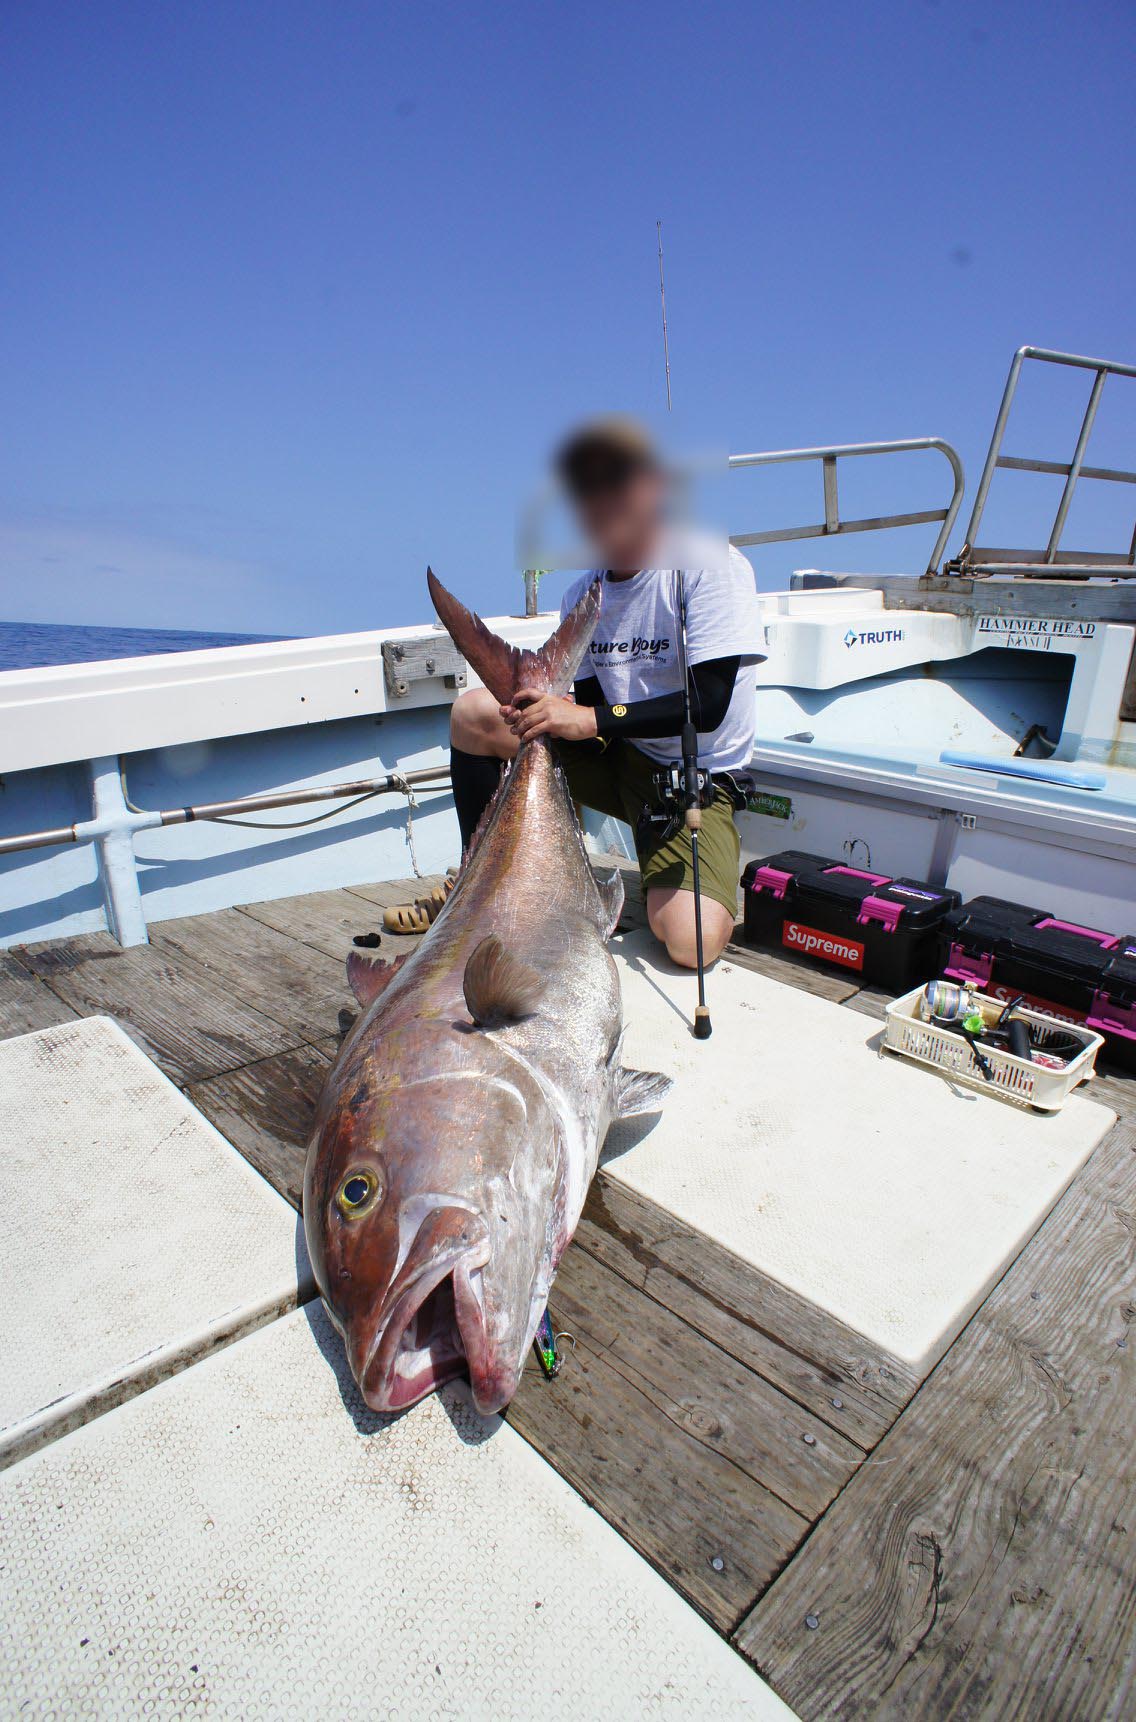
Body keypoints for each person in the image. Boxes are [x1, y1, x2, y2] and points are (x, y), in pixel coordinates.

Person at [447, 417, 766, 968]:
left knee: (691, 943)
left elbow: (709, 705)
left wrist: (590, 720)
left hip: (693, 783)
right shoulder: (584, 593)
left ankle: (658, 869)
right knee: (475, 713)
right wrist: (553, 711)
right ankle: (479, 882)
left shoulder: (707, 565)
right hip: (618, 759)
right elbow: (593, 697)